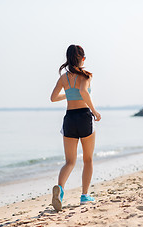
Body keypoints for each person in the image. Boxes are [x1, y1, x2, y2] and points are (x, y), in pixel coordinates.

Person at [50, 44, 101, 212]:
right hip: (84, 117)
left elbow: (53, 98)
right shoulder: (86, 75)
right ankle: (85, 196)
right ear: (83, 59)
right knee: (88, 159)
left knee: (69, 161)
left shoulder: (64, 78)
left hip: (69, 118)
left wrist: (69, 94)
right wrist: (94, 111)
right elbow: (84, 92)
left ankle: (61, 189)